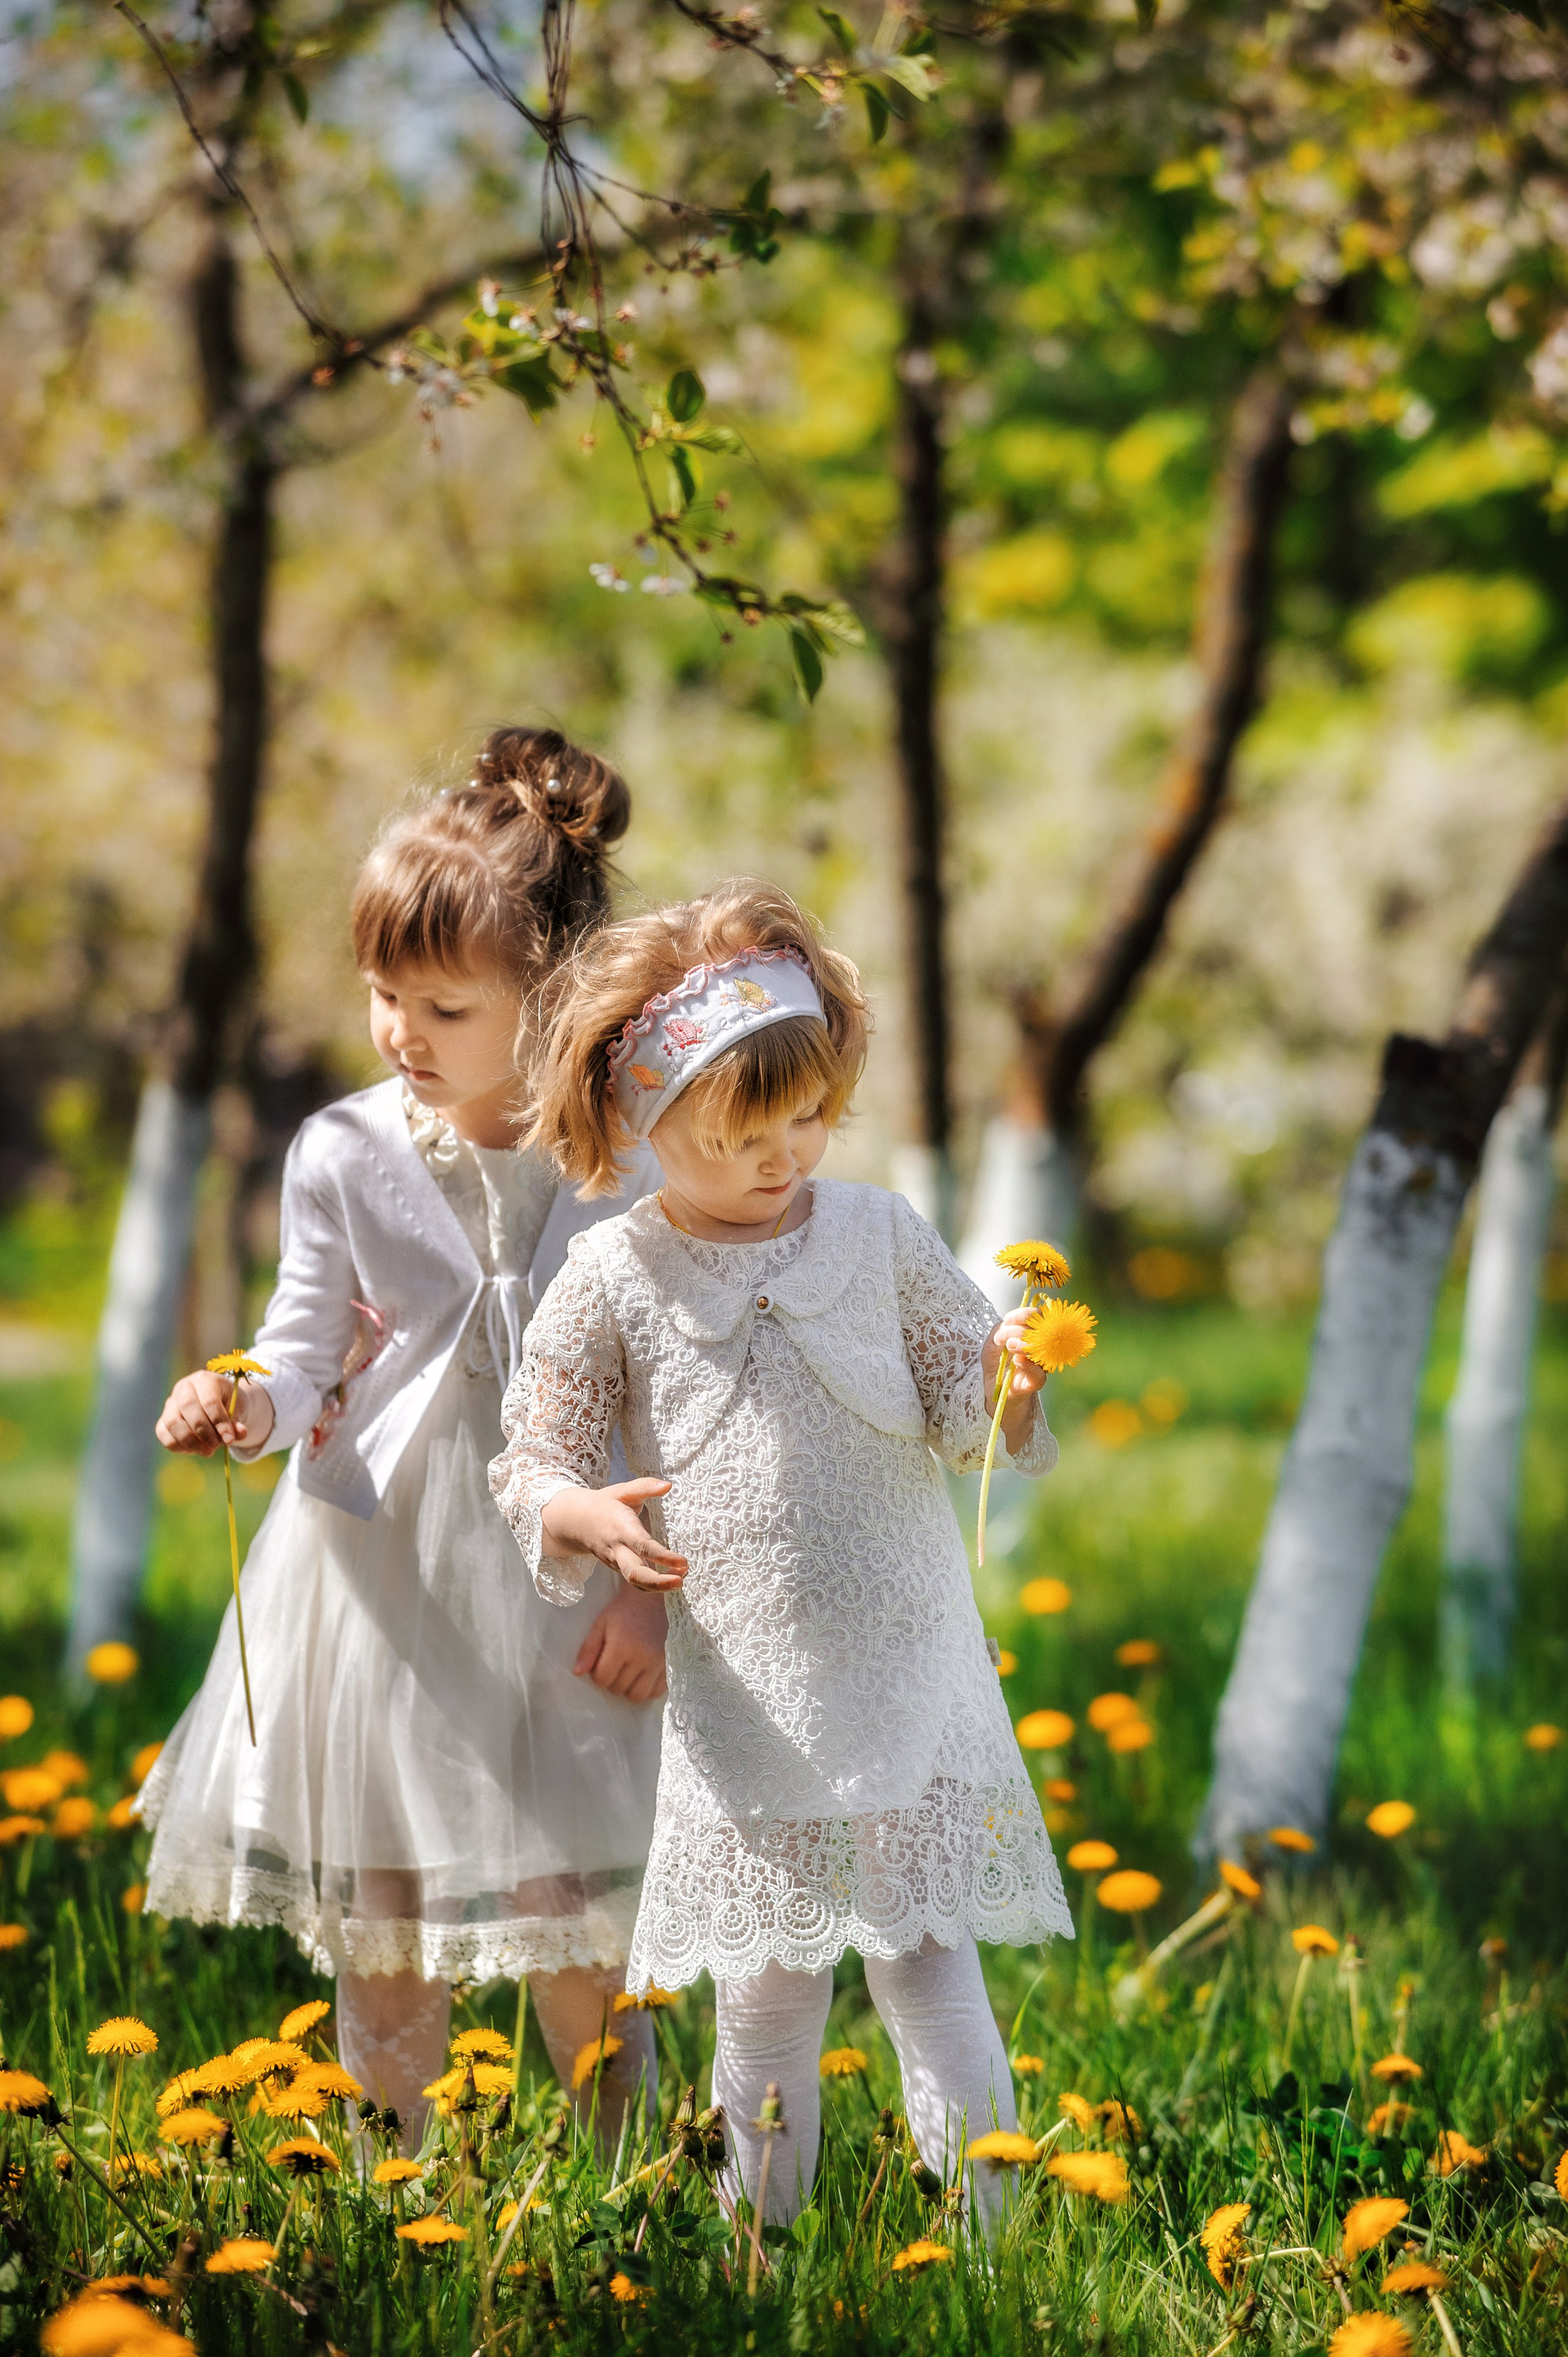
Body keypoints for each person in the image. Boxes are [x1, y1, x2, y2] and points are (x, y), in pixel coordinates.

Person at [489, 879, 1072, 2231]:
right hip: (745, 1695)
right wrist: (577, 1516)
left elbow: (957, 1398)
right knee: (765, 1988)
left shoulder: (876, 1234)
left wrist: (1014, 1378)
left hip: (908, 1664)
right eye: (740, 1131)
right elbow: (536, 1449)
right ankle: (764, 2250)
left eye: (808, 1116)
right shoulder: (617, 1273)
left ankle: (991, 2255)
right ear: (641, 1118)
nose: (783, 1155)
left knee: (931, 1964)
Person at [140, 728, 666, 2150]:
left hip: (569, 1564)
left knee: (575, 1893)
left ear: (550, 1000)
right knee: (387, 1898)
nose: (399, 1034)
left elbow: (679, 1394)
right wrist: (236, 1400)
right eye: (381, 996)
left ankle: (631, 2178)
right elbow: (302, 1349)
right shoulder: (344, 1152)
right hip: (386, 1564)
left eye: (440, 1004)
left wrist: (645, 1590)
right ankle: (393, 2184)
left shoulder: (635, 1155)